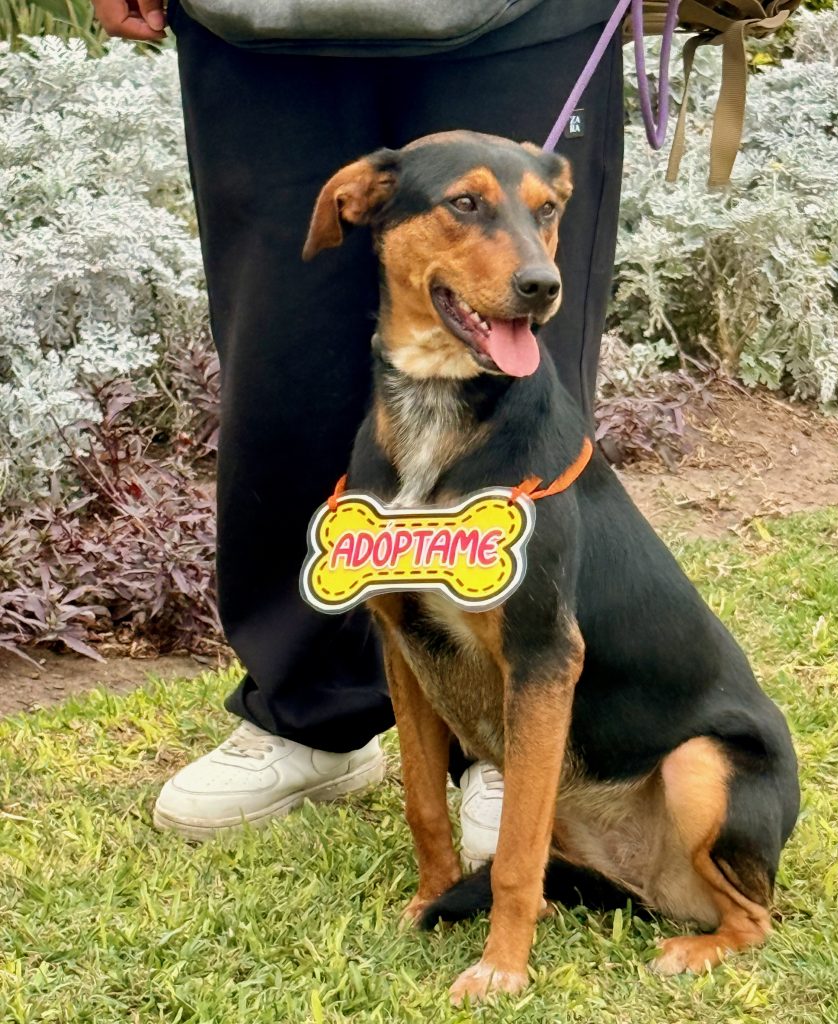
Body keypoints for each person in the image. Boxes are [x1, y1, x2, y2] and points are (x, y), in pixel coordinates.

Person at [89, 0, 624, 864]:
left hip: (524, 17)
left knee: (516, 345)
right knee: (283, 361)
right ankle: (307, 709)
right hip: (259, 25)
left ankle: (505, 746)